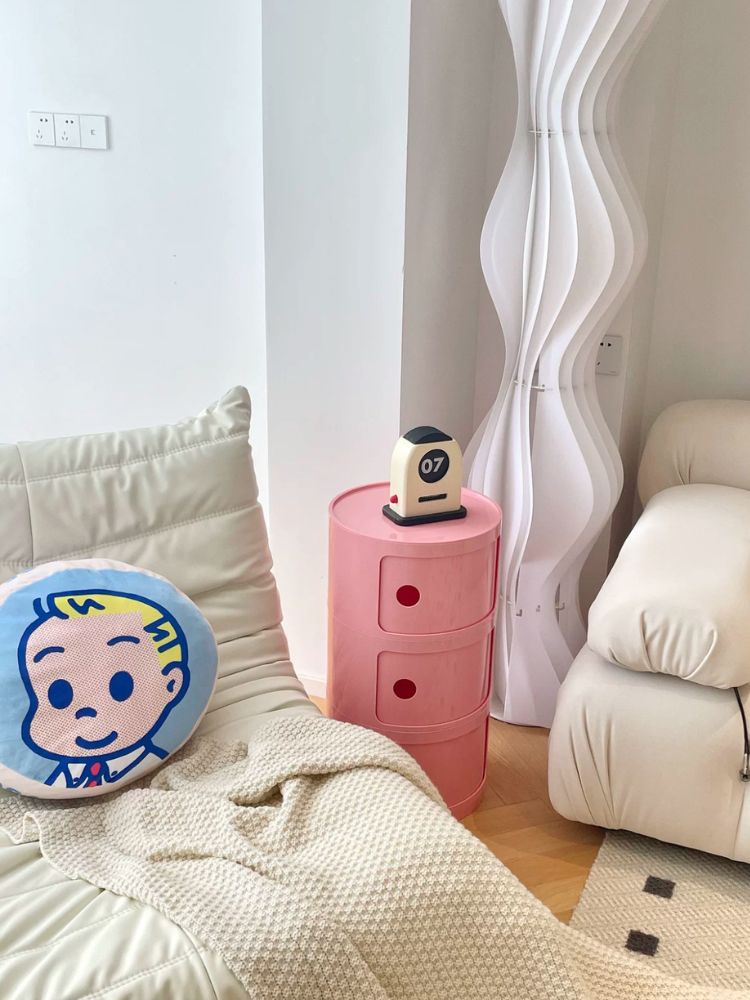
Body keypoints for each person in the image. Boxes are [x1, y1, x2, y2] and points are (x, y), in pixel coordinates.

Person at [17, 590, 190, 788]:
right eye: (59, 695)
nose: (88, 710)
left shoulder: (161, 766)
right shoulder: (58, 779)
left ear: (171, 684)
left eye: (121, 687)